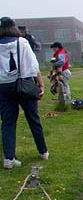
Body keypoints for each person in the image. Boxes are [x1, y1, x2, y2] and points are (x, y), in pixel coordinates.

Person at [0, 17, 48, 169]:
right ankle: (43, 150)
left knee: (8, 122)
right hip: (24, 82)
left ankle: (9, 158)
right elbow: (33, 65)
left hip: (3, 86)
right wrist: (40, 83)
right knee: (33, 118)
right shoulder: (22, 43)